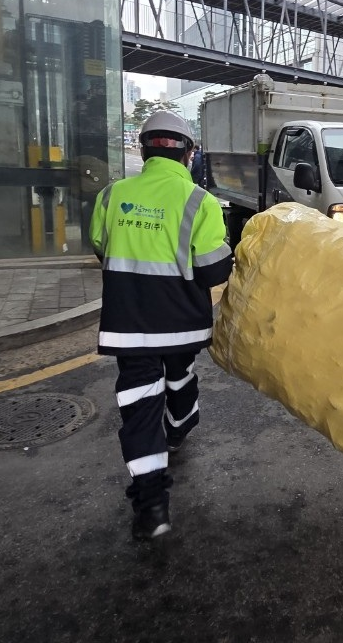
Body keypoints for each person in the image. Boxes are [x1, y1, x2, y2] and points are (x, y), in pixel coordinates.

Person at [90, 111, 233, 540]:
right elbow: (213, 272)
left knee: (138, 405)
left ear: (143, 148)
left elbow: (101, 246)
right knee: (179, 373)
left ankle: (151, 503)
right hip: (182, 327)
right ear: (189, 154)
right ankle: (181, 426)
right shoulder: (199, 201)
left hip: (128, 326)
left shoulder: (111, 196)